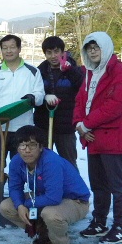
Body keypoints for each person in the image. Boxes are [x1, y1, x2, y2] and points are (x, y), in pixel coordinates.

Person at [73, 32, 122, 244]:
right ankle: (99, 221)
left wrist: (87, 123)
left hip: (114, 138)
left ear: (106, 47)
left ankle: (120, 226)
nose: (92, 51)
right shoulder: (89, 74)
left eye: (96, 47)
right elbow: (79, 102)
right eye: (89, 48)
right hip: (93, 138)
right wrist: (79, 125)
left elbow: (115, 106)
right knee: (99, 185)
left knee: (118, 186)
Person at [0, 34, 45, 228]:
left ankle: (25, 204)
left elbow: (40, 94)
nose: (9, 51)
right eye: (5, 48)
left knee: (22, 167)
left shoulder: (32, 72)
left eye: (12, 47)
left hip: (23, 128)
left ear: (19, 49)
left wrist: (33, 98)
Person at [0, 126, 90, 244]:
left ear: (41, 147)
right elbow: (14, 187)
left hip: (74, 201)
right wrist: (19, 205)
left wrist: (27, 204)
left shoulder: (51, 161)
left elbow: (54, 198)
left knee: (51, 214)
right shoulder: (16, 162)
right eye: (22, 146)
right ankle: (43, 232)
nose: (27, 150)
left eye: (32, 145)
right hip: (43, 197)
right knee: (6, 206)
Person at [33, 36, 83, 168]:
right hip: (43, 124)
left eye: (56, 51)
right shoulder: (39, 72)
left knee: (68, 162)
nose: (53, 56)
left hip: (65, 126)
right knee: (42, 161)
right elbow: (33, 93)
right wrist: (44, 97)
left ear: (62, 52)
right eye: (49, 52)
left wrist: (69, 71)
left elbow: (82, 87)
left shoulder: (73, 70)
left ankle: (72, 188)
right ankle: (45, 188)